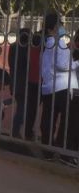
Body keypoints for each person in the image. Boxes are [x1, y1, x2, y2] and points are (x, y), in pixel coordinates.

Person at [39, 12, 79, 152]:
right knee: (69, 121)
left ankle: (47, 149)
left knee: (49, 119)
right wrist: (77, 63)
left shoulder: (46, 43)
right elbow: (63, 65)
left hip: (49, 87)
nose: (62, 27)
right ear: (55, 27)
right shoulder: (59, 42)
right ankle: (64, 151)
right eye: (61, 24)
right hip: (63, 87)